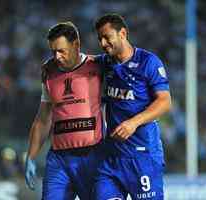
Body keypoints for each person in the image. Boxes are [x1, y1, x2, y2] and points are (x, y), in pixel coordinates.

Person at [93, 13, 172, 200]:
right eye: (100, 39)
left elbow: (165, 101)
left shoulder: (148, 62)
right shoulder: (105, 63)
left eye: (107, 37)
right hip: (111, 159)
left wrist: (134, 123)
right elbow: (79, 62)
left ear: (122, 33)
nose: (103, 43)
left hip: (143, 157)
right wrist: (52, 64)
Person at [25, 21, 104, 200]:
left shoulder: (99, 66)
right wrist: (31, 156)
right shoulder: (48, 71)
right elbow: (43, 118)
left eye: (62, 51)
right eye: (53, 52)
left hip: (92, 156)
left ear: (76, 44)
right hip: (58, 160)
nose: (57, 56)